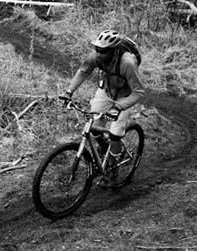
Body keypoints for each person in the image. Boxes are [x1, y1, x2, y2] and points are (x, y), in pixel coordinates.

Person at [62, 30, 145, 184]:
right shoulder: (95, 56)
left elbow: (138, 92)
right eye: (97, 49)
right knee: (93, 127)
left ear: (114, 51)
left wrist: (119, 107)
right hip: (106, 91)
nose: (99, 54)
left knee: (115, 134)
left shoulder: (127, 62)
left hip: (125, 97)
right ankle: (104, 146)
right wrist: (69, 92)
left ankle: (113, 170)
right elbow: (83, 71)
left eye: (103, 51)